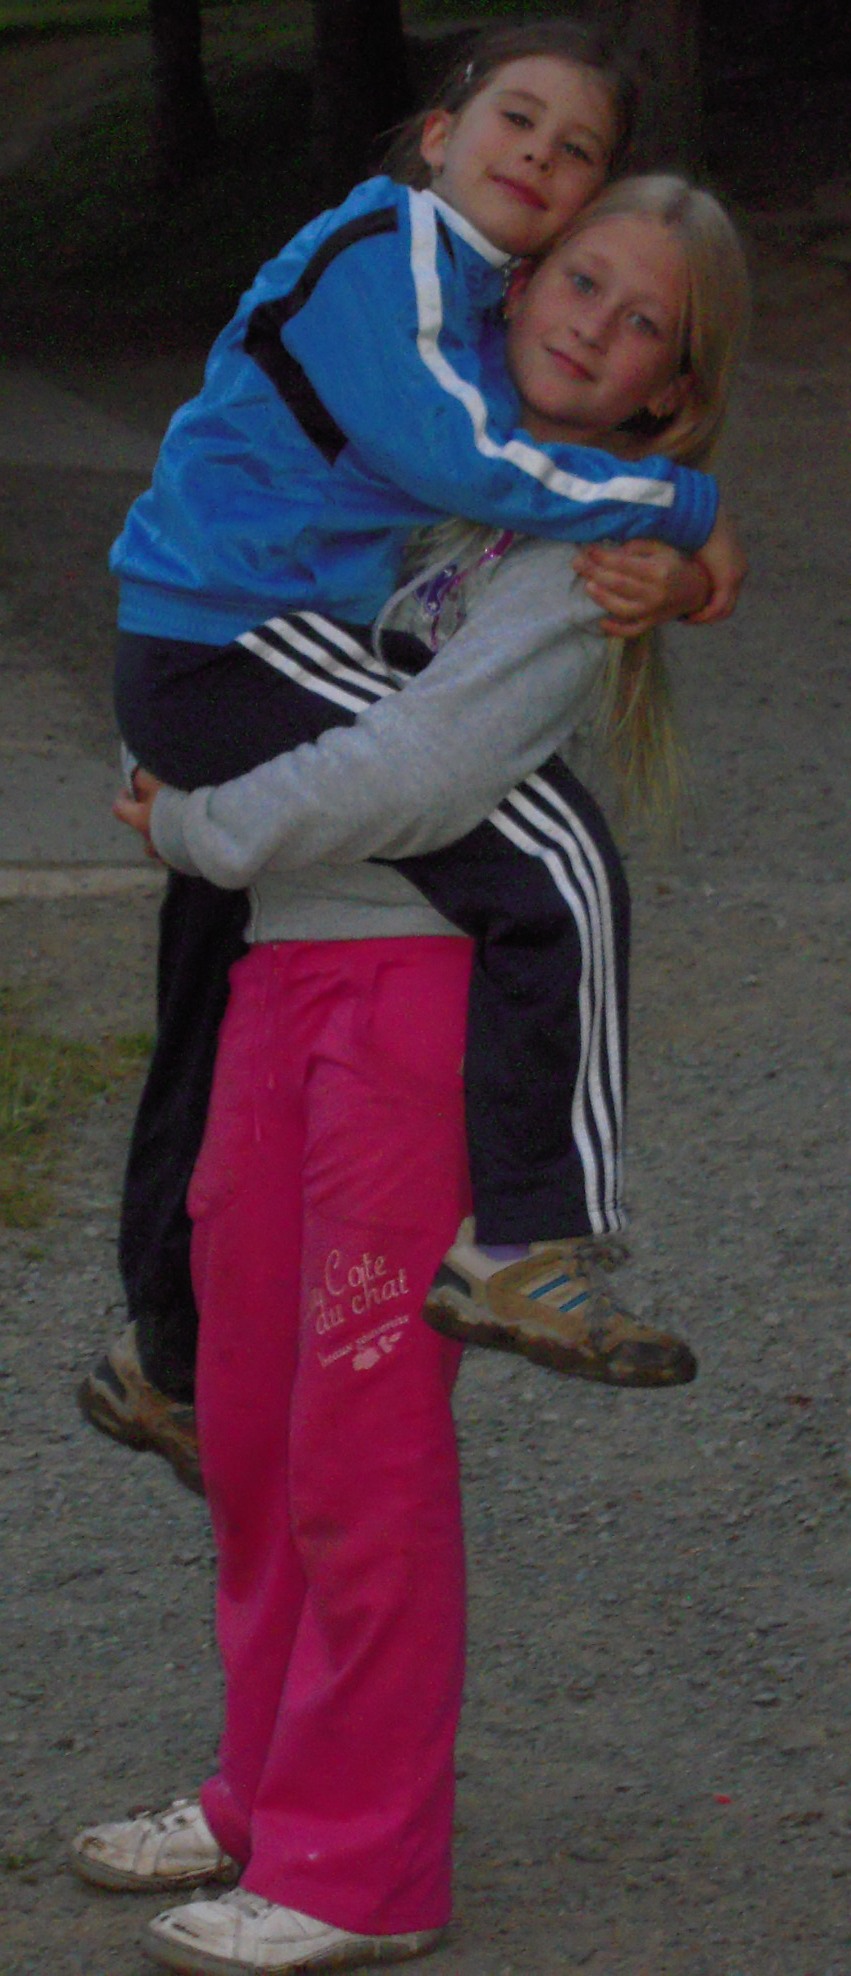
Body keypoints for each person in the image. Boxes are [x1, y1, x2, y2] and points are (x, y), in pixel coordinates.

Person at [71, 174, 750, 1974]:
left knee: (360, 1442)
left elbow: (417, 780)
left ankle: (360, 1868)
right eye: (580, 280)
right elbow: (223, 638)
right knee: (254, 1425)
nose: (593, 327)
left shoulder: (576, 561)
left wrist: (193, 826)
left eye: (642, 326)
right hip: (273, 987)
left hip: (410, 1002)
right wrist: (176, 771)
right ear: (513, 285)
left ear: (667, 396)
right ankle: (261, 1792)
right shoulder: (397, 479)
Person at [77, 18, 744, 1490]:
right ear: (438, 133)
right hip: (236, 634)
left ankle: (163, 1352)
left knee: (199, 1009)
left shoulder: (470, 305)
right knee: (558, 858)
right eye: (517, 119)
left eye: (576, 150)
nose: (540, 156)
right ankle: (528, 1239)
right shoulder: (388, 258)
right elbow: (464, 462)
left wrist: (677, 558)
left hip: (214, 647)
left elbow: (496, 455)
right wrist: (690, 514)